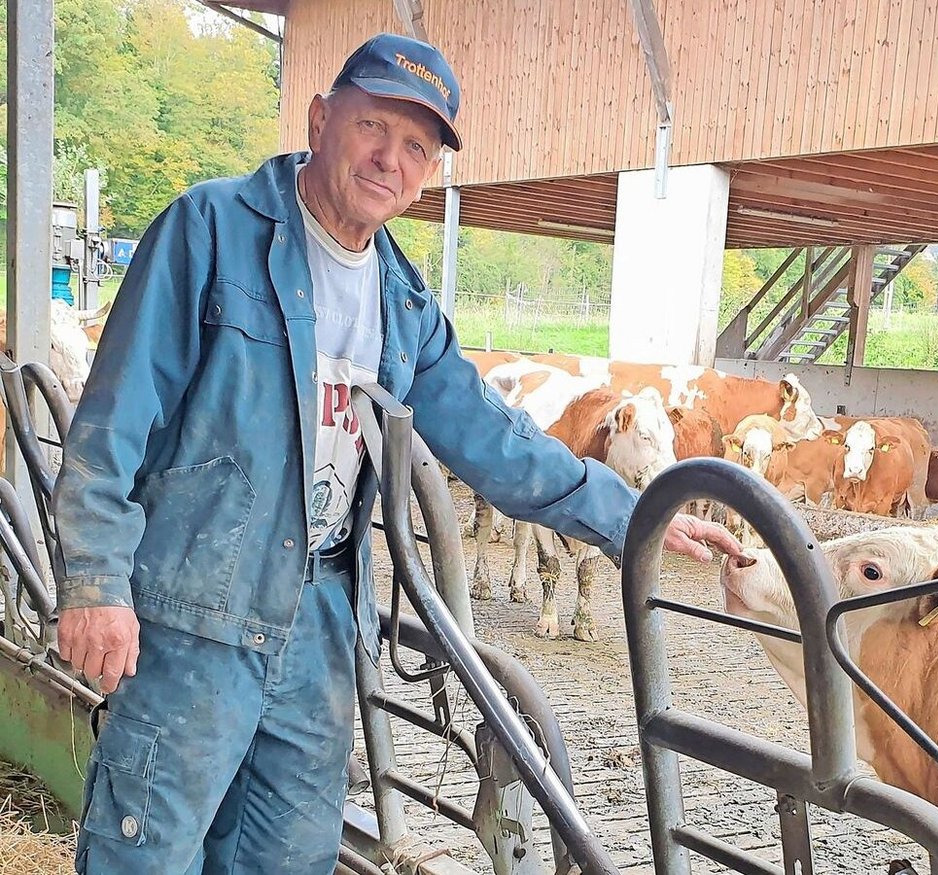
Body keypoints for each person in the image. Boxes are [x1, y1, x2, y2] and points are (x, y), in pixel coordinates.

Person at [52, 31, 743, 874]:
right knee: (145, 853)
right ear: (321, 119)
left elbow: (497, 442)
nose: (390, 158)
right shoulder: (210, 230)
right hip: (195, 614)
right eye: (374, 125)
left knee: (289, 857)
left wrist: (636, 516)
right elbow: (110, 422)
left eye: (417, 145)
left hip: (318, 623)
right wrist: (94, 582)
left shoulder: (402, 299)